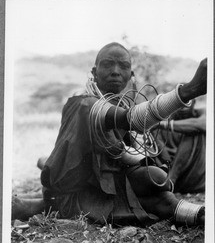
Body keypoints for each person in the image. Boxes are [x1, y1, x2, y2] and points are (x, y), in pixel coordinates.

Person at [12, 42, 207, 227]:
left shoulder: (120, 104)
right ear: (94, 73)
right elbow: (132, 119)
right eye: (107, 64)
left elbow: (126, 152)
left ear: (131, 75)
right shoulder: (82, 104)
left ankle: (198, 214)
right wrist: (189, 90)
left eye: (123, 66)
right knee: (152, 183)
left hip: (107, 185)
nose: (115, 71)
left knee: (156, 180)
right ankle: (38, 205)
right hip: (72, 191)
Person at [152, 99, 206, 194]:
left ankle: (170, 181)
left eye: (188, 102)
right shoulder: (163, 118)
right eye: (180, 103)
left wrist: (163, 125)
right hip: (166, 173)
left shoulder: (201, 112)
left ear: (194, 103)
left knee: (193, 131)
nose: (184, 107)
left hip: (194, 178)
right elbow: (163, 155)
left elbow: (203, 124)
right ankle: (167, 182)